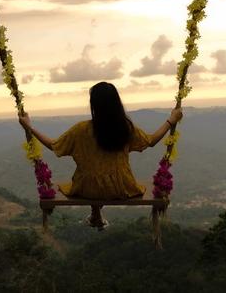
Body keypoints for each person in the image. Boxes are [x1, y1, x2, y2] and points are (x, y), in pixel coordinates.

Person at [18, 81, 183, 229]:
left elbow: (54, 146)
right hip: (121, 187)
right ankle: (96, 215)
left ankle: (95, 214)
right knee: (103, 175)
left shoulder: (81, 130)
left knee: (93, 175)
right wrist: (171, 120)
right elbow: (151, 140)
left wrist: (29, 128)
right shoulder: (125, 128)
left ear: (94, 105)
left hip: (87, 189)